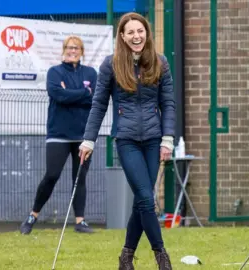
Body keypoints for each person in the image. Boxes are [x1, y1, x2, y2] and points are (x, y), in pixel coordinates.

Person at [78, 12, 175, 270]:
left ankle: (126, 257)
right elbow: (98, 105)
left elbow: (168, 104)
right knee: (145, 198)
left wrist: (168, 139)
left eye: (140, 31)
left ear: (147, 34)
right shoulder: (110, 65)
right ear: (122, 36)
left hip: (154, 140)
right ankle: (162, 257)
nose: (136, 36)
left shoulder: (160, 62)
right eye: (130, 32)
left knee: (141, 201)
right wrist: (88, 140)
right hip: (126, 140)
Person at [20, 35, 97, 235]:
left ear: (82, 52)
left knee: (80, 177)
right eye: (70, 47)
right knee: (52, 175)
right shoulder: (55, 72)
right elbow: (58, 96)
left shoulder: (91, 72)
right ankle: (32, 216)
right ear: (64, 50)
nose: (73, 51)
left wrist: (74, 93)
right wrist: (83, 92)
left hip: (83, 136)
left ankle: (80, 222)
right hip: (58, 134)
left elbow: (94, 98)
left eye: (77, 48)